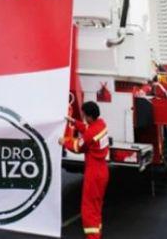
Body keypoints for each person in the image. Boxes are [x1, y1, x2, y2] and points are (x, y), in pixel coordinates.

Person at [62, 100, 111, 238]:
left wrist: (64, 141)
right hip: (102, 170)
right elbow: (87, 128)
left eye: (84, 115)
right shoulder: (101, 124)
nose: (83, 118)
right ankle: (97, 233)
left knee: (88, 209)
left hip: (94, 172)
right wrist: (74, 122)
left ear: (89, 116)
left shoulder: (91, 134)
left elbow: (78, 146)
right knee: (96, 207)